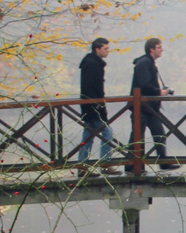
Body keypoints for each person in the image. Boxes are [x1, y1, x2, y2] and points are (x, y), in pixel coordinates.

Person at [130, 36, 180, 169]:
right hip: (142, 107)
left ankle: (163, 162)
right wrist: (160, 92)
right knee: (137, 137)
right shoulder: (144, 63)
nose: (162, 50)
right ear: (151, 49)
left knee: (159, 134)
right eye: (159, 47)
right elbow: (144, 85)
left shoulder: (149, 63)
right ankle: (133, 166)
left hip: (150, 107)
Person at [73, 37, 119, 171]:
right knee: (107, 132)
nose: (108, 51)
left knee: (88, 135)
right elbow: (89, 86)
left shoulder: (92, 62)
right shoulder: (92, 64)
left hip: (91, 105)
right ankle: (105, 164)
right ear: (97, 49)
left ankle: (83, 166)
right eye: (105, 49)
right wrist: (96, 103)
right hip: (93, 106)